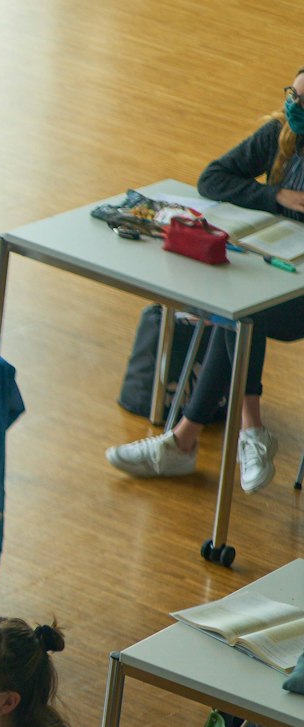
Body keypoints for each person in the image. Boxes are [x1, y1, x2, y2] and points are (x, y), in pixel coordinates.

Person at [104, 66, 304, 495]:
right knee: (235, 309)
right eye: (293, 95)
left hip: (298, 299)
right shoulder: (280, 133)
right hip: (275, 271)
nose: (295, 107)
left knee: (242, 313)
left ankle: (191, 441)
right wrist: (276, 196)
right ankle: (242, 431)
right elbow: (212, 178)